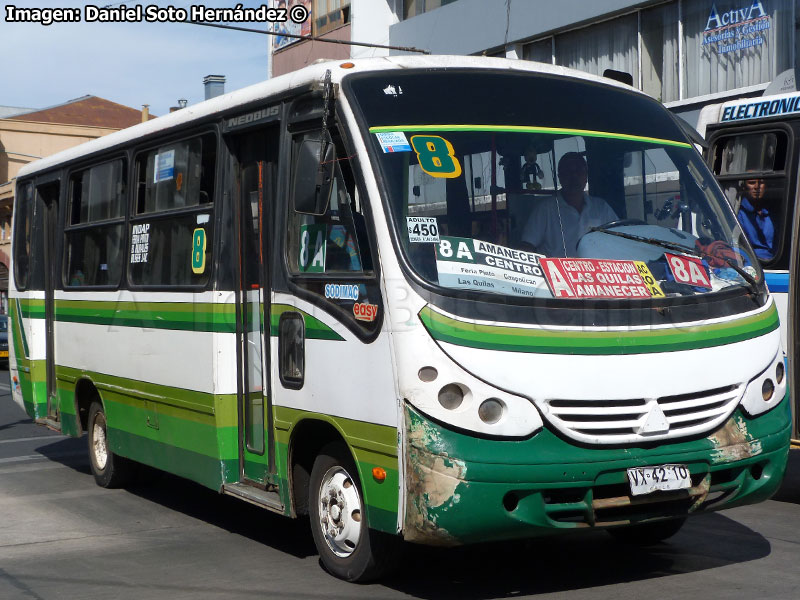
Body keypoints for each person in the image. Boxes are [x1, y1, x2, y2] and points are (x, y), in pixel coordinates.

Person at [521, 152, 617, 257]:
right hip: (555, 267)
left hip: (595, 267)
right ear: (560, 177)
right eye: (568, 172)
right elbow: (526, 247)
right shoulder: (545, 209)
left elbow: (619, 241)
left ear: (586, 176)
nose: (574, 176)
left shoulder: (601, 208)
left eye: (579, 171)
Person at [737, 178, 775, 260]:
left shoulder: (773, 212)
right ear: (744, 187)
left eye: (761, 183)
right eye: (752, 183)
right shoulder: (739, 213)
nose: (756, 187)